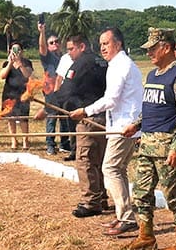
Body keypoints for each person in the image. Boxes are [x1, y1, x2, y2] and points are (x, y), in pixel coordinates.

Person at [123, 28, 176, 250]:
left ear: (166, 48)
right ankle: (146, 236)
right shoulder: (153, 75)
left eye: (153, 49)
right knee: (141, 193)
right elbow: (153, 108)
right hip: (146, 144)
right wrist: (137, 124)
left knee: (174, 195)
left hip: (166, 147)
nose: (149, 54)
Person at [69, 27, 142, 235]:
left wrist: (85, 111)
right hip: (122, 125)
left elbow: (111, 99)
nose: (102, 48)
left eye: (106, 43)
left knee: (110, 169)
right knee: (118, 170)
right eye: (101, 44)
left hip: (124, 127)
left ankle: (127, 218)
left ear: (117, 44)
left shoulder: (120, 66)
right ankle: (123, 215)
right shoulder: (120, 64)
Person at [56, 35, 108, 218]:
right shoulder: (102, 62)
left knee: (85, 159)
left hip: (88, 118)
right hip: (103, 116)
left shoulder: (82, 63)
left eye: (71, 49)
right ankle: (101, 197)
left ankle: (90, 202)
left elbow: (67, 89)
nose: (69, 53)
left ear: (82, 46)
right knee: (97, 160)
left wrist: (48, 106)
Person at [37, 23, 70, 155]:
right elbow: (42, 46)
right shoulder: (47, 57)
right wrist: (42, 32)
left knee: (64, 118)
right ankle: (50, 144)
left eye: (57, 41)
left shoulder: (64, 57)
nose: (54, 43)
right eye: (51, 42)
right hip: (51, 91)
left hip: (64, 91)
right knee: (51, 118)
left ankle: (64, 143)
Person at [0, 41, 33, 150]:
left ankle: (25, 140)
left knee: (23, 118)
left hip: (22, 93)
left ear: (22, 52)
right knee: (11, 118)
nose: (16, 52)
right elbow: (2, 76)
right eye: (14, 50)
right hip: (9, 93)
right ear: (10, 51)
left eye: (18, 50)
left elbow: (28, 75)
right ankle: (14, 140)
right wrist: (10, 63)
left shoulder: (27, 62)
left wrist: (20, 65)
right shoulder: (6, 63)